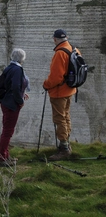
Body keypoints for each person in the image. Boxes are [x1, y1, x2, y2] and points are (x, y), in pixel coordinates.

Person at [43, 29, 77, 160]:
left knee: (59, 118)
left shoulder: (60, 53)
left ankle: (64, 148)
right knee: (66, 115)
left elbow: (56, 78)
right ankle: (67, 144)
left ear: (55, 39)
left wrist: (46, 84)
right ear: (66, 38)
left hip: (59, 92)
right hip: (70, 89)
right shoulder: (73, 49)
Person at [0, 48, 30, 167]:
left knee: (6, 129)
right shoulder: (17, 69)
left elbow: (10, 85)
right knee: (8, 132)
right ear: (22, 59)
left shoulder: (9, 67)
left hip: (5, 101)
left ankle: (5, 155)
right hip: (11, 104)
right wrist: (20, 100)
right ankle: (2, 158)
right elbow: (15, 87)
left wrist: (22, 92)